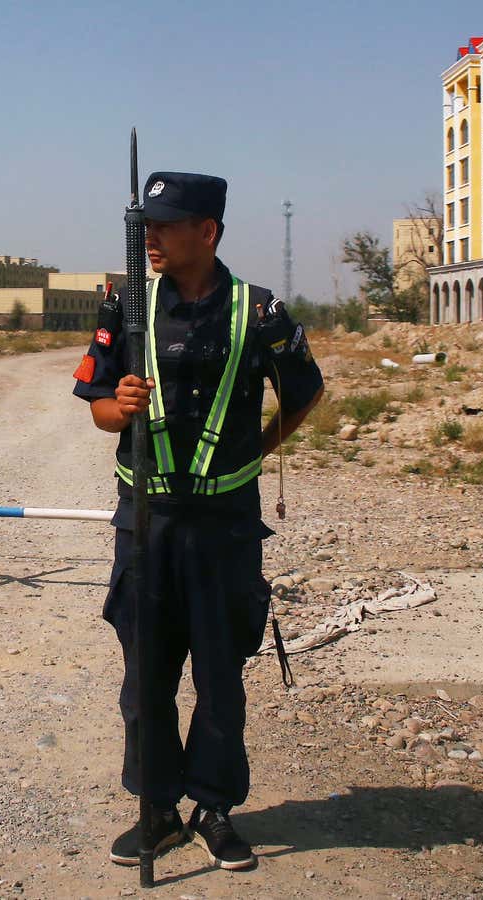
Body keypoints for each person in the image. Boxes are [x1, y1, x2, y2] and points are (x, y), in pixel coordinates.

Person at [72, 171, 324, 872]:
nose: (149, 237)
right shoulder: (125, 305)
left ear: (207, 232)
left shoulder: (260, 312)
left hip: (225, 526)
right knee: (146, 677)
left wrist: (253, 453)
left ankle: (214, 809)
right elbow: (95, 405)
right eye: (145, 225)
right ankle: (156, 811)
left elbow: (305, 394)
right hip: (146, 521)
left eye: (166, 225)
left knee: (220, 674)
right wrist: (118, 408)